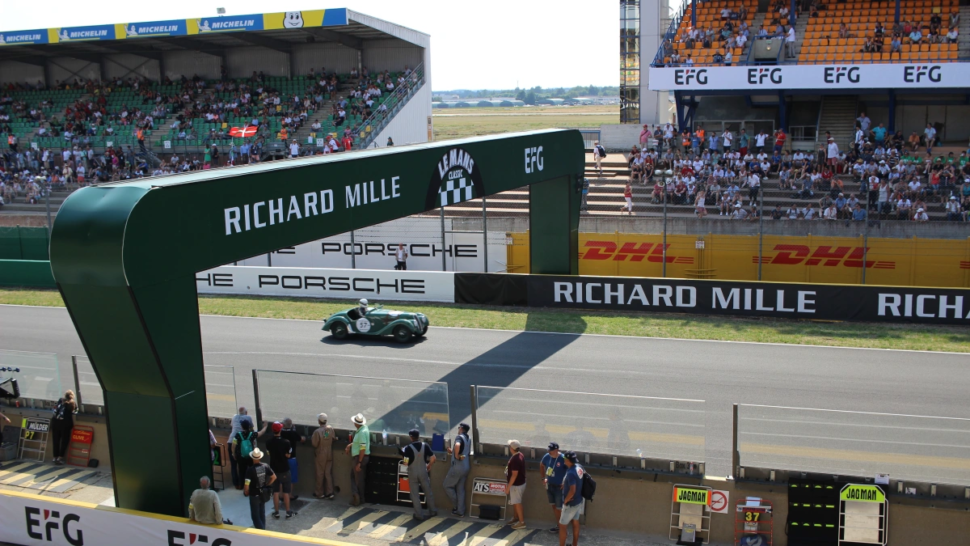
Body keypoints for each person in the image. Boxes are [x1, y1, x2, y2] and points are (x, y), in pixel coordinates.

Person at [401, 429, 437, 520]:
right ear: (418, 436)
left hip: (413, 473)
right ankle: (433, 511)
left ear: (411, 437)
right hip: (423, 471)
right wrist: (429, 465)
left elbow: (405, 463)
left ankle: (419, 515)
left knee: (415, 494)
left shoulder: (408, 448)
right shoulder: (425, 445)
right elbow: (433, 458)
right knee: (428, 491)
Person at [266, 422, 295, 519]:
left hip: (273, 470)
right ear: (280, 430)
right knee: (286, 492)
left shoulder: (268, 442)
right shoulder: (286, 442)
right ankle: (288, 512)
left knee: (276, 491)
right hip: (284, 469)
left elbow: (268, 453)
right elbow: (288, 455)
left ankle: (277, 512)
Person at [243, 448, 276, 530]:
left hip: (254, 494)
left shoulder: (250, 470)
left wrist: (246, 491)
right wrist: (267, 484)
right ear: (260, 457)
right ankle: (263, 530)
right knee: (262, 513)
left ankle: (261, 532)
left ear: (252, 458)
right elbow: (274, 477)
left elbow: (246, 484)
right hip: (263, 493)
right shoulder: (265, 466)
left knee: (255, 516)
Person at [444, 422, 471, 516]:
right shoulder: (468, 438)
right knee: (460, 489)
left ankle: (457, 507)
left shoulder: (459, 437)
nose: (458, 429)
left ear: (461, 428)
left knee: (447, 486)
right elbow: (463, 450)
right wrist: (453, 452)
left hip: (457, 467)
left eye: (459, 427)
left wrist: (456, 455)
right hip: (466, 466)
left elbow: (457, 446)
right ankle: (460, 511)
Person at [540, 442, 568, 534]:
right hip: (550, 485)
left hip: (559, 487)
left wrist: (565, 482)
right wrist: (543, 477)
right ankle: (559, 525)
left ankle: (563, 527)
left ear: (557, 450)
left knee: (560, 507)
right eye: (548, 450)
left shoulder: (563, 458)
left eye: (551, 450)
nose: (549, 452)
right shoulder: (547, 456)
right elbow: (541, 464)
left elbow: (570, 470)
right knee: (554, 506)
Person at [558, 452, 585, 546]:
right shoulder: (579, 467)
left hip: (570, 504)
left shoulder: (570, 473)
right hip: (578, 501)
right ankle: (575, 544)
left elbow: (572, 490)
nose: (563, 460)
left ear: (568, 460)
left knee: (562, 526)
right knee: (576, 522)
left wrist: (566, 501)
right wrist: (565, 484)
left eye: (564, 459)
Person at [345, 413, 370, 506]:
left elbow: (362, 448)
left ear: (357, 424)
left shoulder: (361, 433)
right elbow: (359, 443)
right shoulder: (364, 429)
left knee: (356, 478)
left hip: (359, 458)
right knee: (359, 478)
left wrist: (359, 462)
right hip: (362, 457)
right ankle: (360, 498)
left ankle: (357, 496)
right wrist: (350, 445)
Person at [311, 413, 336, 499]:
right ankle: (330, 492)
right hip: (329, 452)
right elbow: (333, 438)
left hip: (320, 453)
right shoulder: (330, 429)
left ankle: (319, 493)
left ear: (319, 421)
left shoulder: (317, 432)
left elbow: (314, 444)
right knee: (328, 473)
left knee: (320, 473)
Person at [229, 407, 254, 489]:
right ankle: (247, 484)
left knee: (233, 465)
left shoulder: (234, 417)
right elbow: (252, 428)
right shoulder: (248, 417)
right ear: (246, 412)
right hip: (241, 444)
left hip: (230, 441)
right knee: (244, 466)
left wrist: (233, 453)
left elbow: (232, 426)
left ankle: (237, 484)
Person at [279, 418, 304, 501]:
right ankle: (289, 495)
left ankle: (281, 494)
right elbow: (302, 439)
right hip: (292, 459)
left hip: (282, 459)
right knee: (291, 478)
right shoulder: (293, 433)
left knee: (282, 477)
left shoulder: (280, 433)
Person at [51, 390, 77, 465]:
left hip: (55, 422)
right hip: (65, 424)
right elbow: (75, 411)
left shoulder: (60, 400)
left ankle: (54, 457)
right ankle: (60, 457)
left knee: (56, 440)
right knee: (64, 441)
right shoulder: (72, 403)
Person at [506, 439, 527, 530]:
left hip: (516, 485)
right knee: (515, 502)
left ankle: (521, 522)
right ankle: (516, 517)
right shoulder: (520, 455)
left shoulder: (515, 459)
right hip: (519, 483)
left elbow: (514, 475)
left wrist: (508, 487)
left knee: (517, 503)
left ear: (512, 448)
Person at [233, 419, 259, 491]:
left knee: (242, 472)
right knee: (251, 471)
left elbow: (234, 444)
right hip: (250, 456)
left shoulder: (238, 434)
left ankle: (243, 486)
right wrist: (265, 427)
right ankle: (251, 486)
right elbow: (260, 433)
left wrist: (233, 453)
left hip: (240, 456)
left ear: (242, 426)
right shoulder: (252, 434)